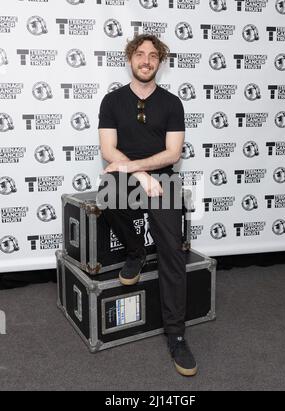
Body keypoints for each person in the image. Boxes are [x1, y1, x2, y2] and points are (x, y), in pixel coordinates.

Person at [98, 34, 197, 377]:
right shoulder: (112, 101)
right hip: (132, 174)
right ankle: (136, 252)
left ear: (160, 62)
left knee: (172, 248)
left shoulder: (172, 103)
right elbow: (109, 150)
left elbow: (172, 153)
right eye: (140, 54)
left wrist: (149, 174)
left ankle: (177, 335)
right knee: (107, 195)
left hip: (165, 178)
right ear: (130, 58)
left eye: (153, 56)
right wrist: (140, 174)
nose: (146, 60)